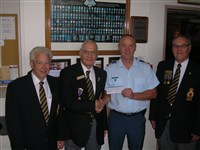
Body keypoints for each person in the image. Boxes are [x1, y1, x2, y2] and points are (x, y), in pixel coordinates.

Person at [102, 34, 159, 150]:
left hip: (137, 120)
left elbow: (154, 93)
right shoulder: (109, 69)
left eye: (131, 46)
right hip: (116, 119)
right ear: (119, 47)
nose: (127, 49)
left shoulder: (146, 68)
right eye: (124, 46)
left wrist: (133, 95)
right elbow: (107, 94)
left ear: (135, 47)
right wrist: (102, 103)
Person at [5, 46, 65, 150]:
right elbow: (12, 122)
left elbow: (59, 114)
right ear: (31, 64)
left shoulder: (56, 84)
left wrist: (60, 136)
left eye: (47, 63)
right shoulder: (16, 87)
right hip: (28, 145)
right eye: (39, 63)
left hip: (51, 144)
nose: (44, 67)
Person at [149, 35, 200, 150]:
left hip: (187, 127)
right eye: (175, 46)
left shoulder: (197, 71)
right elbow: (156, 92)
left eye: (183, 46)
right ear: (172, 48)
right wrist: (153, 116)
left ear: (189, 48)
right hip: (164, 124)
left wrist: (198, 129)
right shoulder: (163, 66)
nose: (179, 49)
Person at [59, 40, 107, 150]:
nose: (90, 55)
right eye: (86, 51)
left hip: (95, 126)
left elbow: (100, 100)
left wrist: (104, 125)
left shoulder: (102, 74)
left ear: (97, 54)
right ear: (80, 53)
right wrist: (92, 105)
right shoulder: (68, 73)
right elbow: (68, 102)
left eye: (93, 52)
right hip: (73, 127)